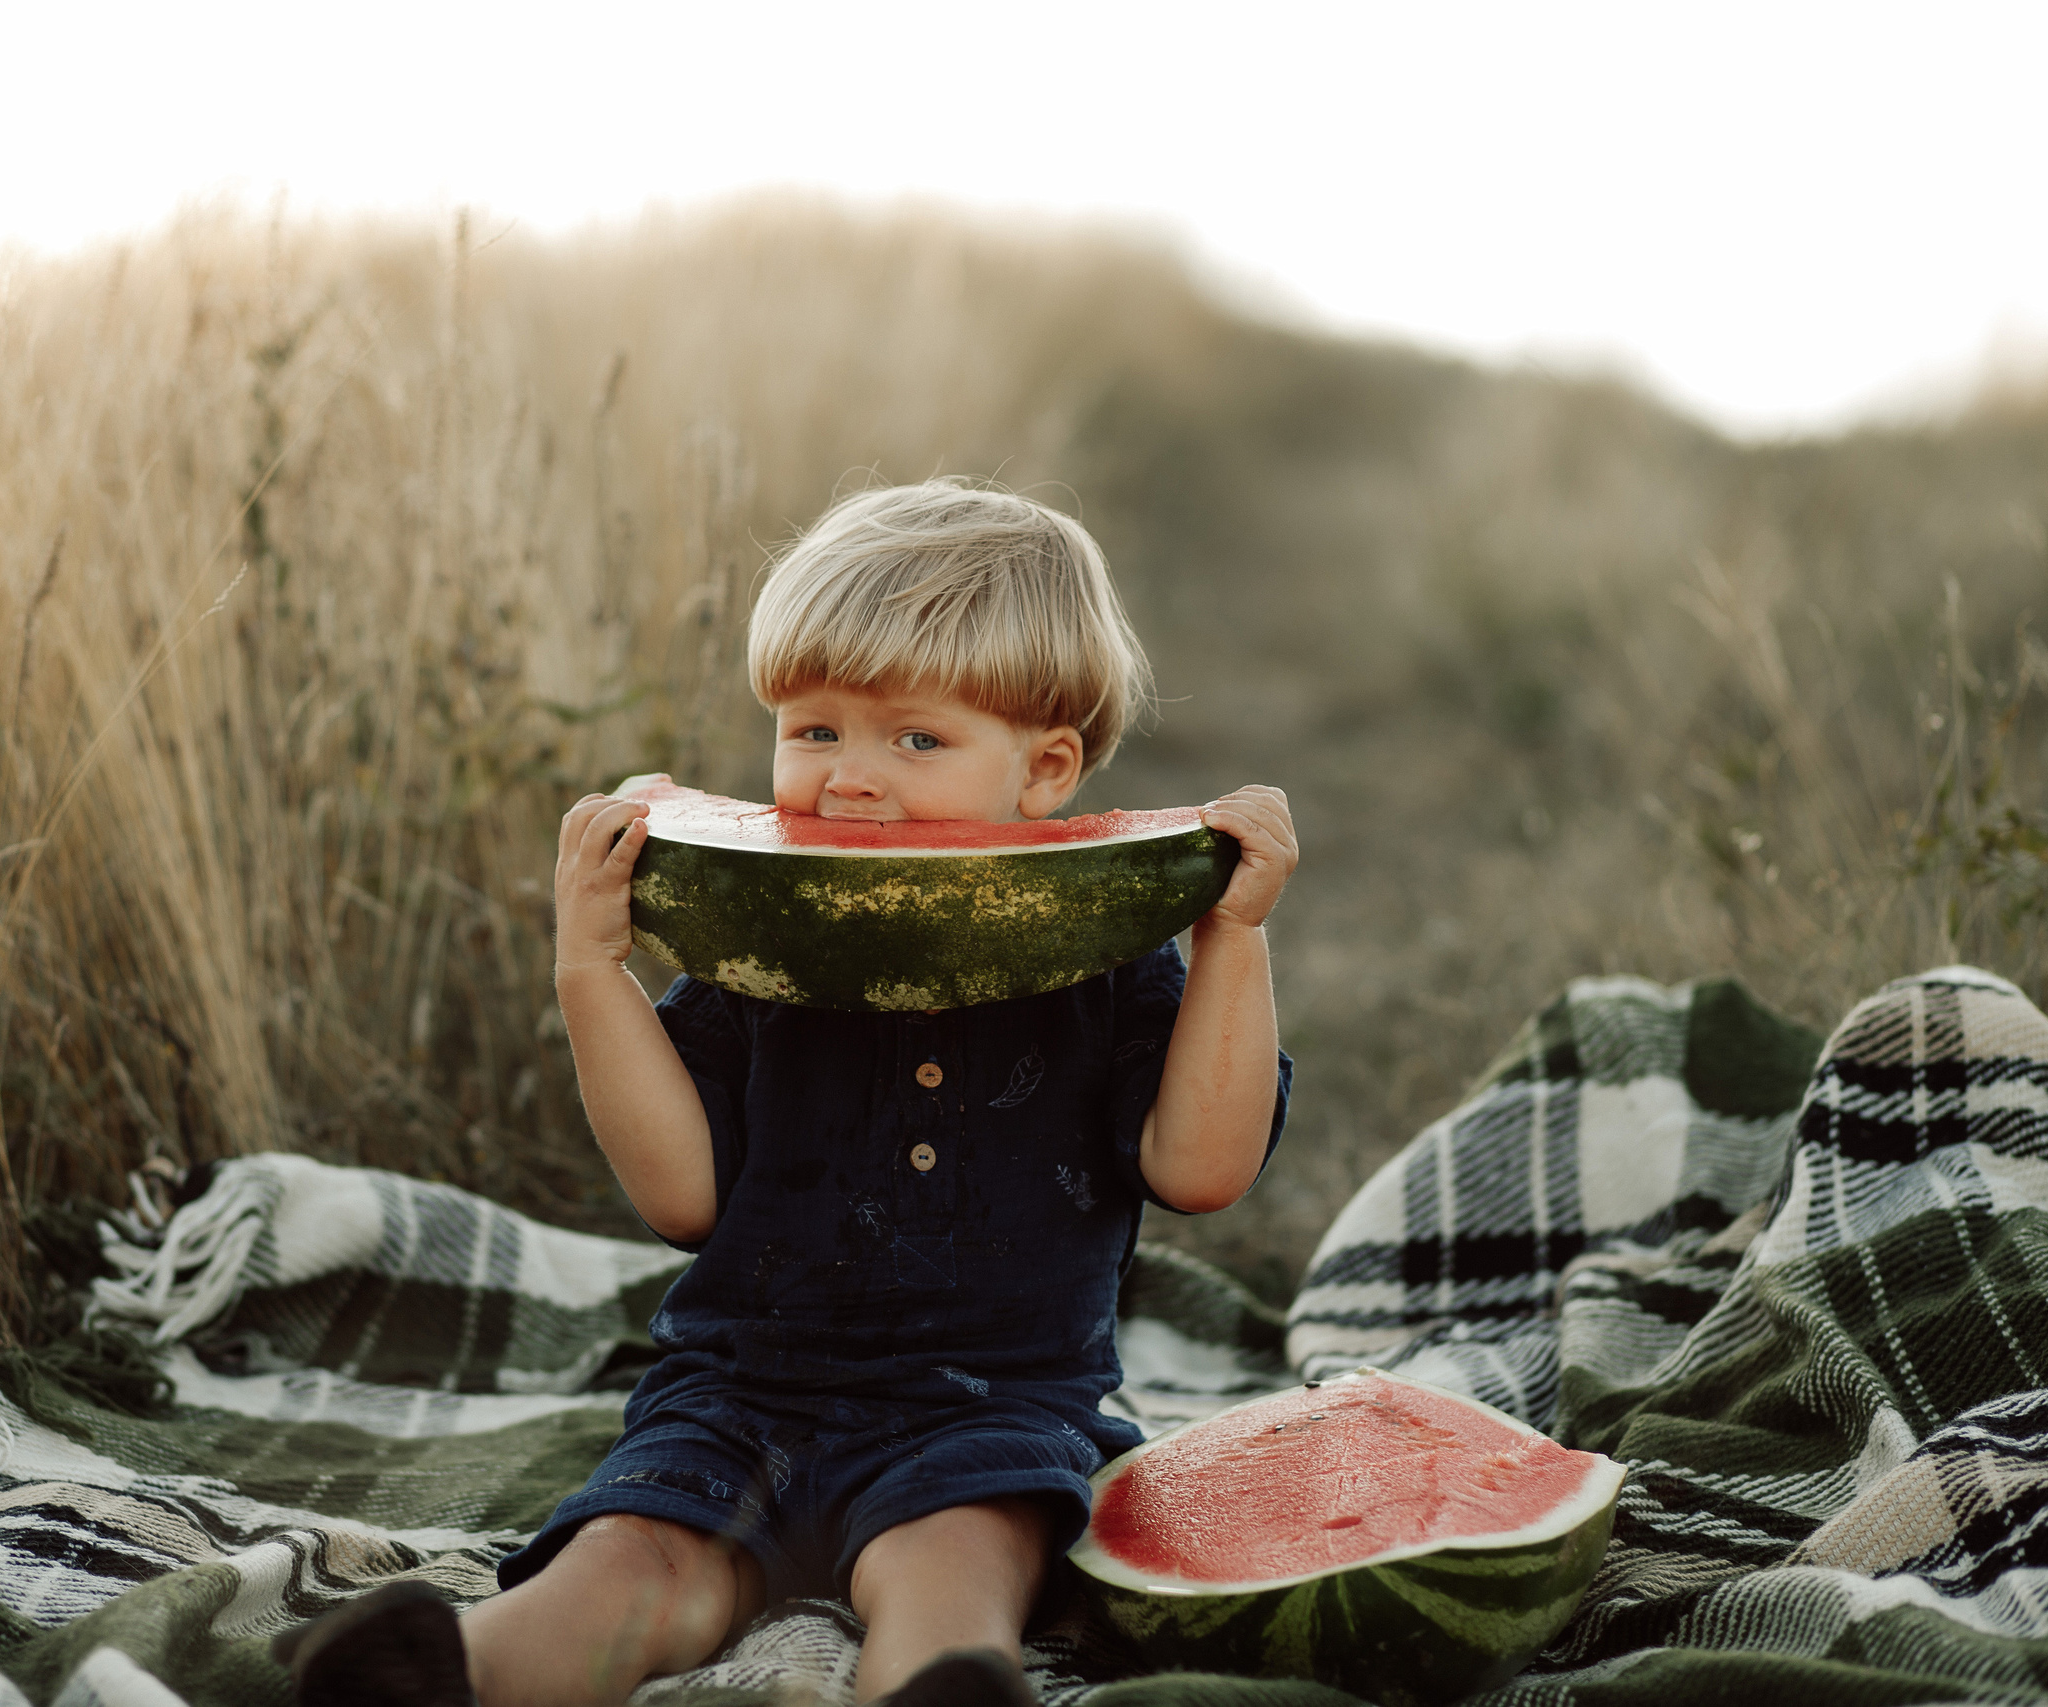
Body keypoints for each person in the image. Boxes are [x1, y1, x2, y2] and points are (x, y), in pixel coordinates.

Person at [279, 480, 1296, 1707]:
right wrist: (588, 966)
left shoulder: (1107, 963)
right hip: (738, 1395)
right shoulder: (759, 955)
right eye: (814, 731)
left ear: (1046, 769)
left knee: (955, 1557)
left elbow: (1201, 1168)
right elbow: (682, 1200)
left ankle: (941, 1688)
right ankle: (453, 1676)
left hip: (990, 1412)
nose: (849, 781)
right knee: (633, 1561)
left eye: (915, 740)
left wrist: (1230, 940)